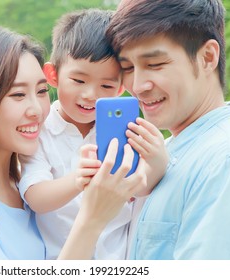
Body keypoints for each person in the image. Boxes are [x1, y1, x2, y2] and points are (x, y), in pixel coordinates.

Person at [0, 26, 147, 260]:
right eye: (18, 95)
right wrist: (93, 219)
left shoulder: (20, 186)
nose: (37, 110)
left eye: (42, 91)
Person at [104, 0, 230, 259]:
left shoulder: (228, 162)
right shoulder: (166, 152)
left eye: (154, 64)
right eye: (128, 68)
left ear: (207, 57)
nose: (138, 85)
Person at [17, 9, 164, 260]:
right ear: (52, 75)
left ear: (120, 88)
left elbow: (141, 188)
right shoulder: (41, 133)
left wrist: (158, 161)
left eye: (106, 85)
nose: (90, 95)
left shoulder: (126, 130)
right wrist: (78, 180)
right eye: (78, 80)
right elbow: (35, 197)